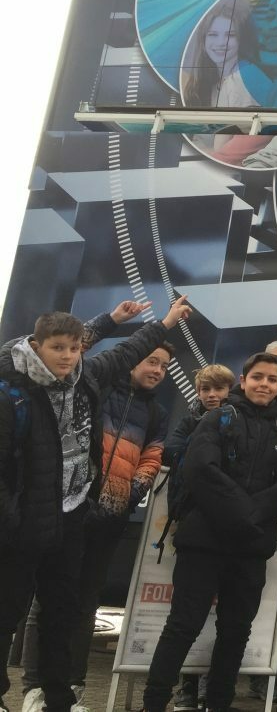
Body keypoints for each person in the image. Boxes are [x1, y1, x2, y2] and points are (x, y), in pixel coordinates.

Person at [0, 296, 190, 712]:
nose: (67, 356)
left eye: (73, 348)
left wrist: (166, 322)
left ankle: (56, 698)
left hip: (73, 515)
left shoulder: (86, 375)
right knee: (7, 609)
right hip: (25, 522)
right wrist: (11, 520)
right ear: (36, 346)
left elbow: (127, 350)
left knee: (63, 610)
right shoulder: (13, 389)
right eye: (58, 348)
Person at [140, 352, 277, 712]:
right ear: (243, 382)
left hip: (250, 550)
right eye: (257, 377)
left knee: (236, 631)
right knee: (183, 625)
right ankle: (153, 703)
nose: (264, 384)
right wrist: (245, 514)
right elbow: (200, 469)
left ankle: (218, 702)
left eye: (272, 379)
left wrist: (248, 516)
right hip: (204, 543)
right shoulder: (216, 418)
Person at [167, 364, 237, 712]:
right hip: (192, 524)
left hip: (227, 528)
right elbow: (171, 450)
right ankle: (186, 688)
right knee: (188, 613)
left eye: (218, 389)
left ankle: (212, 688)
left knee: (225, 617)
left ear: (230, 390)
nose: (212, 395)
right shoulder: (189, 420)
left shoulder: (239, 421)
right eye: (205, 389)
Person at [180, 0, 256, 108]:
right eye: (213, 34)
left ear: (242, 39)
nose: (221, 43)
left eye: (230, 35)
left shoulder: (244, 80)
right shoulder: (214, 79)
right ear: (203, 39)